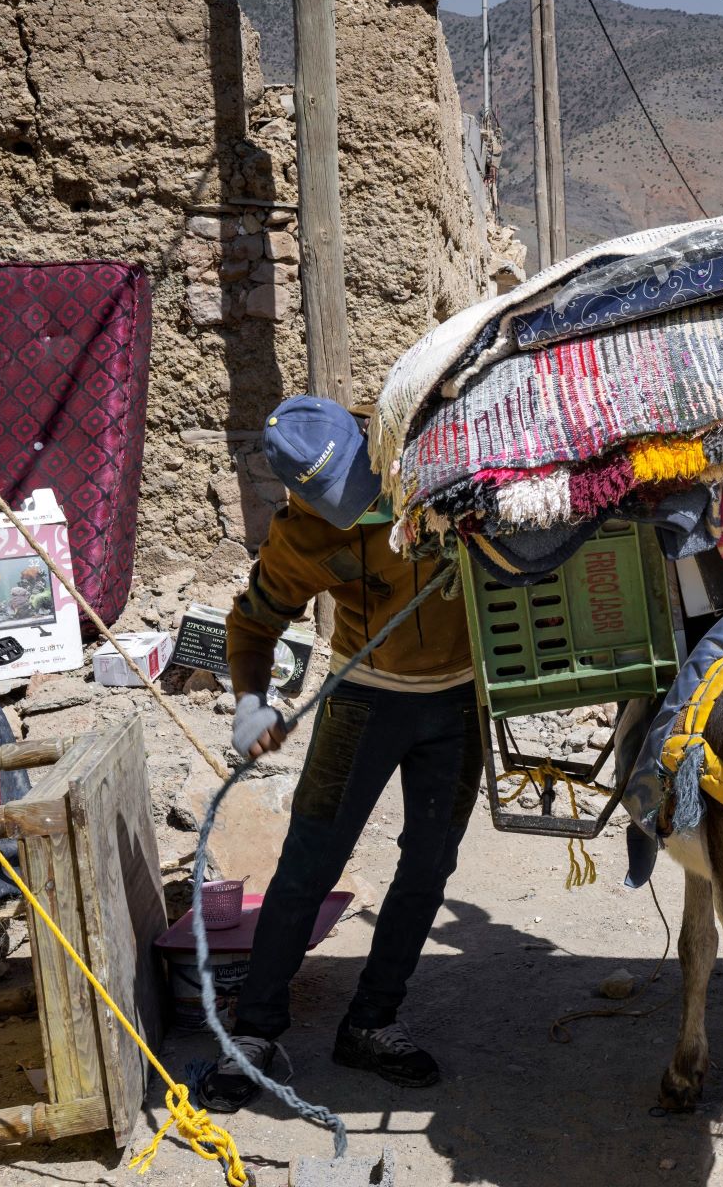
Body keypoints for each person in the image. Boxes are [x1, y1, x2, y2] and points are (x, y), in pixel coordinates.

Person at [200, 396, 479, 1112]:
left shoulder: (437, 469)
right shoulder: (301, 537)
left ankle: (372, 1022)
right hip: (362, 704)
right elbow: (253, 622)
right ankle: (256, 1032)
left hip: (457, 709)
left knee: (426, 869)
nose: (358, 513)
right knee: (307, 867)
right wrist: (251, 702)